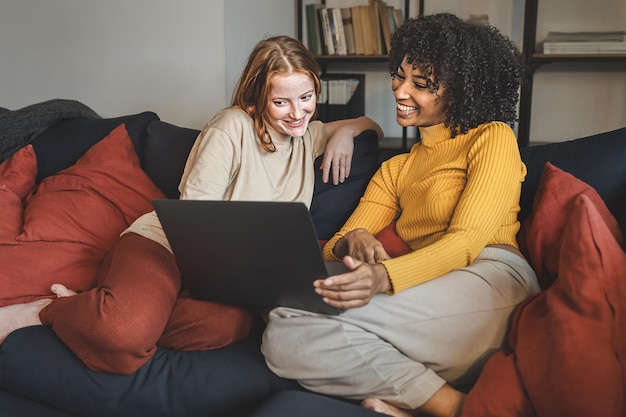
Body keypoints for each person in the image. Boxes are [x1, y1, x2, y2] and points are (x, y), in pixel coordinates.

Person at [0, 35, 383, 374]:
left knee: (228, 326)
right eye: (280, 101)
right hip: (167, 245)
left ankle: (100, 308)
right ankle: (47, 311)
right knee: (123, 334)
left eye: (307, 97)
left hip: (228, 274)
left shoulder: (306, 135)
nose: (297, 113)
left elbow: (372, 126)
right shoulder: (232, 127)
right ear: (257, 96)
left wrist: (349, 129)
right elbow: (195, 226)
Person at [261, 13, 541, 417]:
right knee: (286, 327)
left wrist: (384, 276)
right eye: (399, 74)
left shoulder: (491, 138)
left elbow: (465, 242)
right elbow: (337, 243)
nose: (399, 89)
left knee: (291, 324)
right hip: (429, 290)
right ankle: (442, 404)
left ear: (461, 91)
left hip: (492, 282)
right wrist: (351, 240)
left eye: (420, 83)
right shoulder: (397, 168)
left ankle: (461, 411)